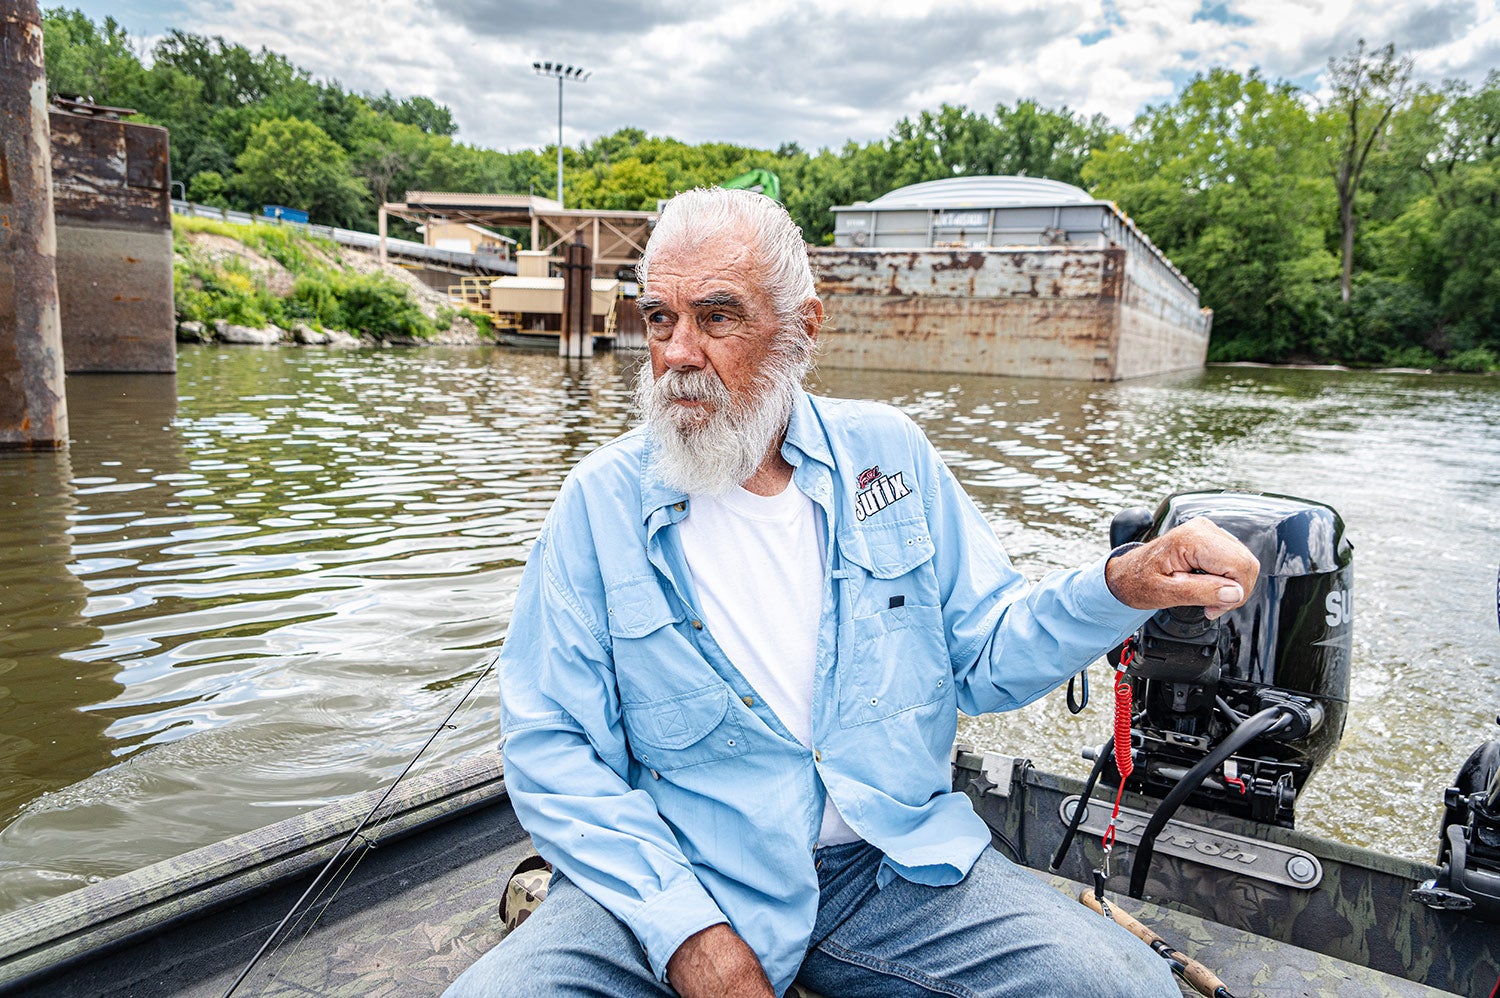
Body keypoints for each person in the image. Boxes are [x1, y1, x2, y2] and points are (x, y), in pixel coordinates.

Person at [445, 187, 1259, 998]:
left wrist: (1125, 583)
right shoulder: (597, 503)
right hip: (672, 870)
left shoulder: (889, 457)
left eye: (717, 317)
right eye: (660, 319)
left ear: (804, 327)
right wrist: (689, 934)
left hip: (891, 868)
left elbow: (985, 656)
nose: (678, 353)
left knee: (1123, 989)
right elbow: (553, 748)